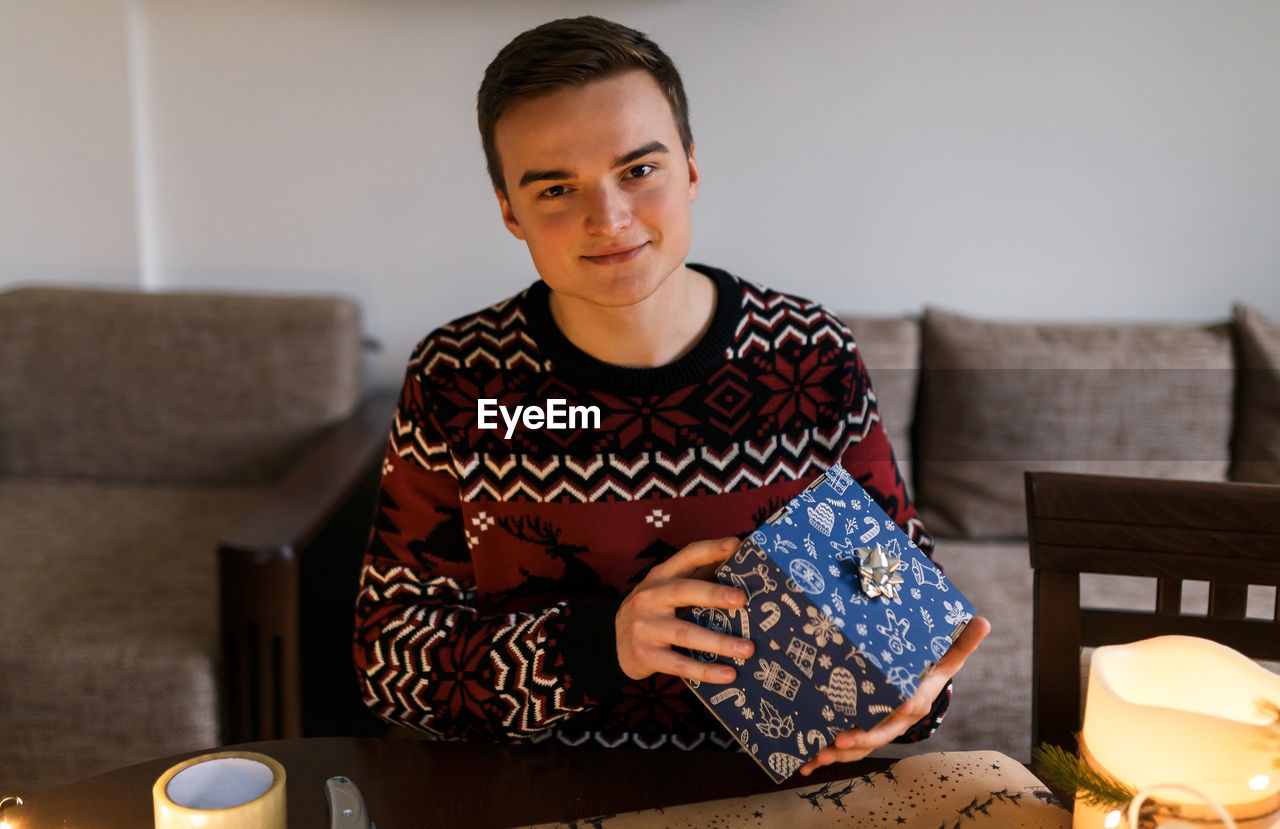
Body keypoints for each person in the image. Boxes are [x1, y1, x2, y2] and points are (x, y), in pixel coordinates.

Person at [353, 14, 989, 776]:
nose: (609, 219)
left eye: (639, 170)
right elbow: (390, 662)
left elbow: (893, 590)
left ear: (690, 168)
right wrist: (602, 644)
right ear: (508, 211)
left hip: (787, 791)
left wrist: (918, 687)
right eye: (556, 188)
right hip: (544, 785)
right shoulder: (460, 379)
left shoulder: (810, 354)